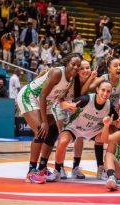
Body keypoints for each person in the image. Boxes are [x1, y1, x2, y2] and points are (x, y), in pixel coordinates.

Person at [16, 56, 81, 184]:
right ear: (67, 63)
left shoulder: (71, 80)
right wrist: (44, 121)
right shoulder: (57, 73)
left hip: (47, 102)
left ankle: (42, 167)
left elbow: (60, 98)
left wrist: (67, 105)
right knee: (41, 130)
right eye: (73, 64)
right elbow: (42, 95)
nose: (76, 67)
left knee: (53, 131)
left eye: (78, 66)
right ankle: (31, 171)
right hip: (30, 96)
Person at [48, 80, 120, 181]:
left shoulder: (109, 106)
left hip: (92, 130)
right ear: (97, 90)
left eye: (108, 91)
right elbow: (63, 104)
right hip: (74, 128)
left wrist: (119, 124)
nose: (105, 93)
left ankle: (104, 169)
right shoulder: (86, 99)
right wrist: (67, 105)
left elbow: (116, 123)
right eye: (103, 90)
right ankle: (57, 170)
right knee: (63, 141)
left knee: (111, 140)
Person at [51, 59, 98, 180]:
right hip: (62, 106)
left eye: (87, 68)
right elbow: (60, 98)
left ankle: (75, 168)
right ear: (77, 70)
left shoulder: (91, 80)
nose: (85, 70)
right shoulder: (71, 80)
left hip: (75, 109)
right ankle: (59, 166)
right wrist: (65, 105)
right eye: (82, 68)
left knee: (80, 136)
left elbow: (83, 95)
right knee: (63, 137)